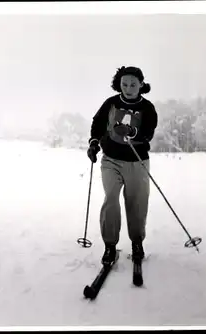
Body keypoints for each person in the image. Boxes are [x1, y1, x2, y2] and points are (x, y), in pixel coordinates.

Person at [87, 66, 158, 265]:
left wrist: (133, 132)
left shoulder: (148, 107)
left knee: (136, 203)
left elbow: (148, 131)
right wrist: (93, 143)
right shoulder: (111, 103)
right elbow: (98, 123)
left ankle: (137, 243)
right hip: (111, 160)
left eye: (133, 84)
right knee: (110, 199)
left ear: (141, 85)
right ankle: (110, 245)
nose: (128, 88)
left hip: (137, 161)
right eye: (124, 84)